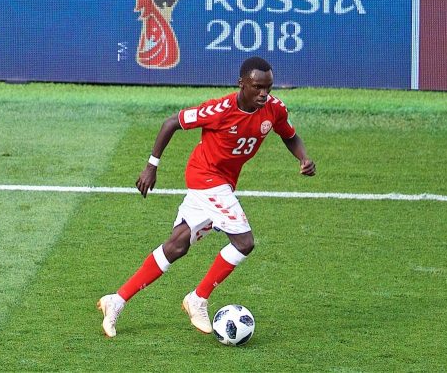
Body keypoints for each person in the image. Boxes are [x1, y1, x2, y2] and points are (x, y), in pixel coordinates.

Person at [97, 56, 316, 337]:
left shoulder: (273, 109)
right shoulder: (219, 110)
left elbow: (290, 135)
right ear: (242, 84)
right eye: (257, 87)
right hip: (205, 179)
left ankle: (116, 300)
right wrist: (151, 166)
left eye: (268, 87)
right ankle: (198, 298)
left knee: (177, 245)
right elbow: (170, 123)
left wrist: (303, 158)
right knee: (244, 241)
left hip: (223, 183)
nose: (264, 93)